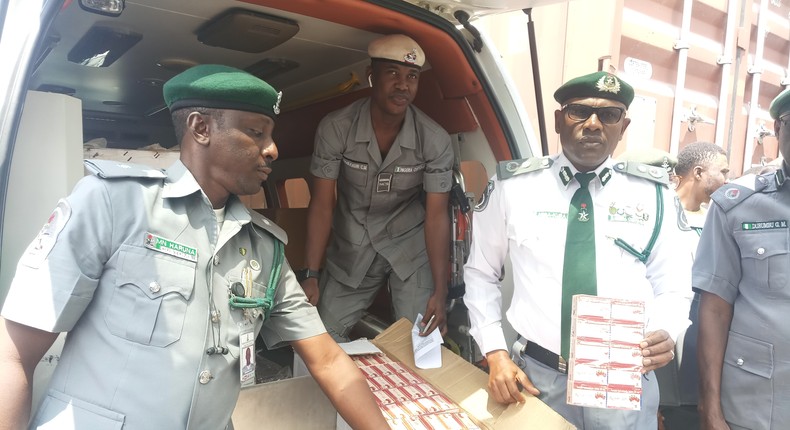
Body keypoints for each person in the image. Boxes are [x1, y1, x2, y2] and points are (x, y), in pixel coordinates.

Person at [0, 64, 387, 430]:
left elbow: (329, 360)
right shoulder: (113, 205)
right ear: (200, 128)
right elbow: (14, 353)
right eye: (256, 132)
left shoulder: (264, 248)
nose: (272, 149)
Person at [464, 71, 692, 429]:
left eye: (609, 115)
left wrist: (666, 329)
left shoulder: (654, 194)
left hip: (622, 376)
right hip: (539, 377)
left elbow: (675, 284)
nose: (594, 124)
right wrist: (494, 352)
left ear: (623, 125)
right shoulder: (515, 187)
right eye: (579, 112)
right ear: (559, 120)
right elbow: (481, 272)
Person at [300, 34, 454, 341]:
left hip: (409, 249)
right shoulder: (336, 128)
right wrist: (311, 274)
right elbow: (322, 204)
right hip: (352, 248)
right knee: (320, 340)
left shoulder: (435, 139)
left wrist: (440, 289)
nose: (403, 85)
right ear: (372, 77)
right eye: (393, 74)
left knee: (422, 341)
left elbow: (437, 216)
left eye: (412, 77)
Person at [695, 88, 790, 430]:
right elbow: (715, 308)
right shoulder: (737, 206)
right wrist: (710, 407)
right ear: (777, 131)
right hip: (757, 405)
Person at [674, 141, 730, 234]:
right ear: (698, 173)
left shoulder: (714, 221)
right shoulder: (660, 213)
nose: (727, 181)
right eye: (723, 172)